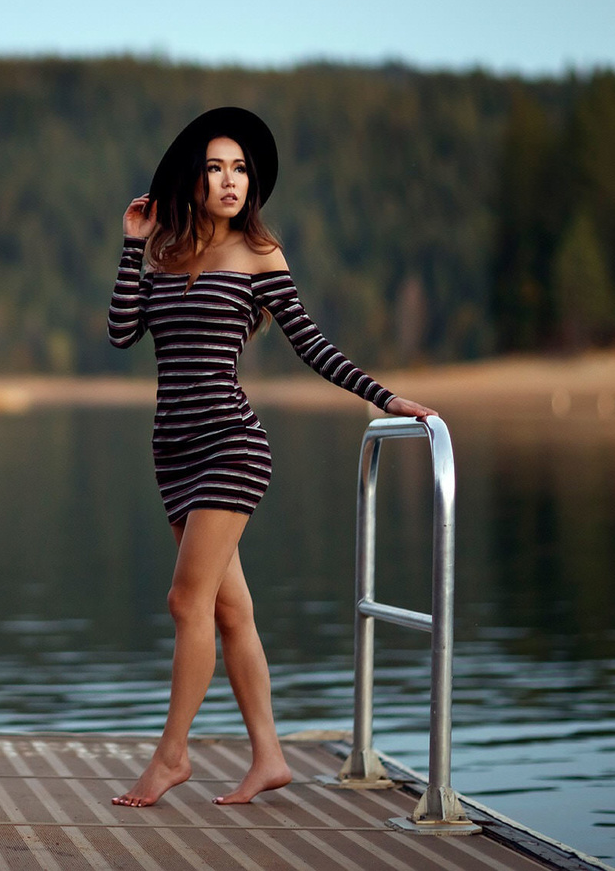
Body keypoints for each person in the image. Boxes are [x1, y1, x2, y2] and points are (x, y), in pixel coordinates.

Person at [107, 107, 437, 807]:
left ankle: (171, 757)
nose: (231, 181)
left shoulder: (261, 257)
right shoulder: (163, 250)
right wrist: (132, 245)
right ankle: (269, 757)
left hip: (231, 442)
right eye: (217, 167)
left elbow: (312, 345)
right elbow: (120, 334)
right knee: (230, 612)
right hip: (173, 450)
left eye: (241, 169)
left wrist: (384, 397)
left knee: (184, 600)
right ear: (192, 180)